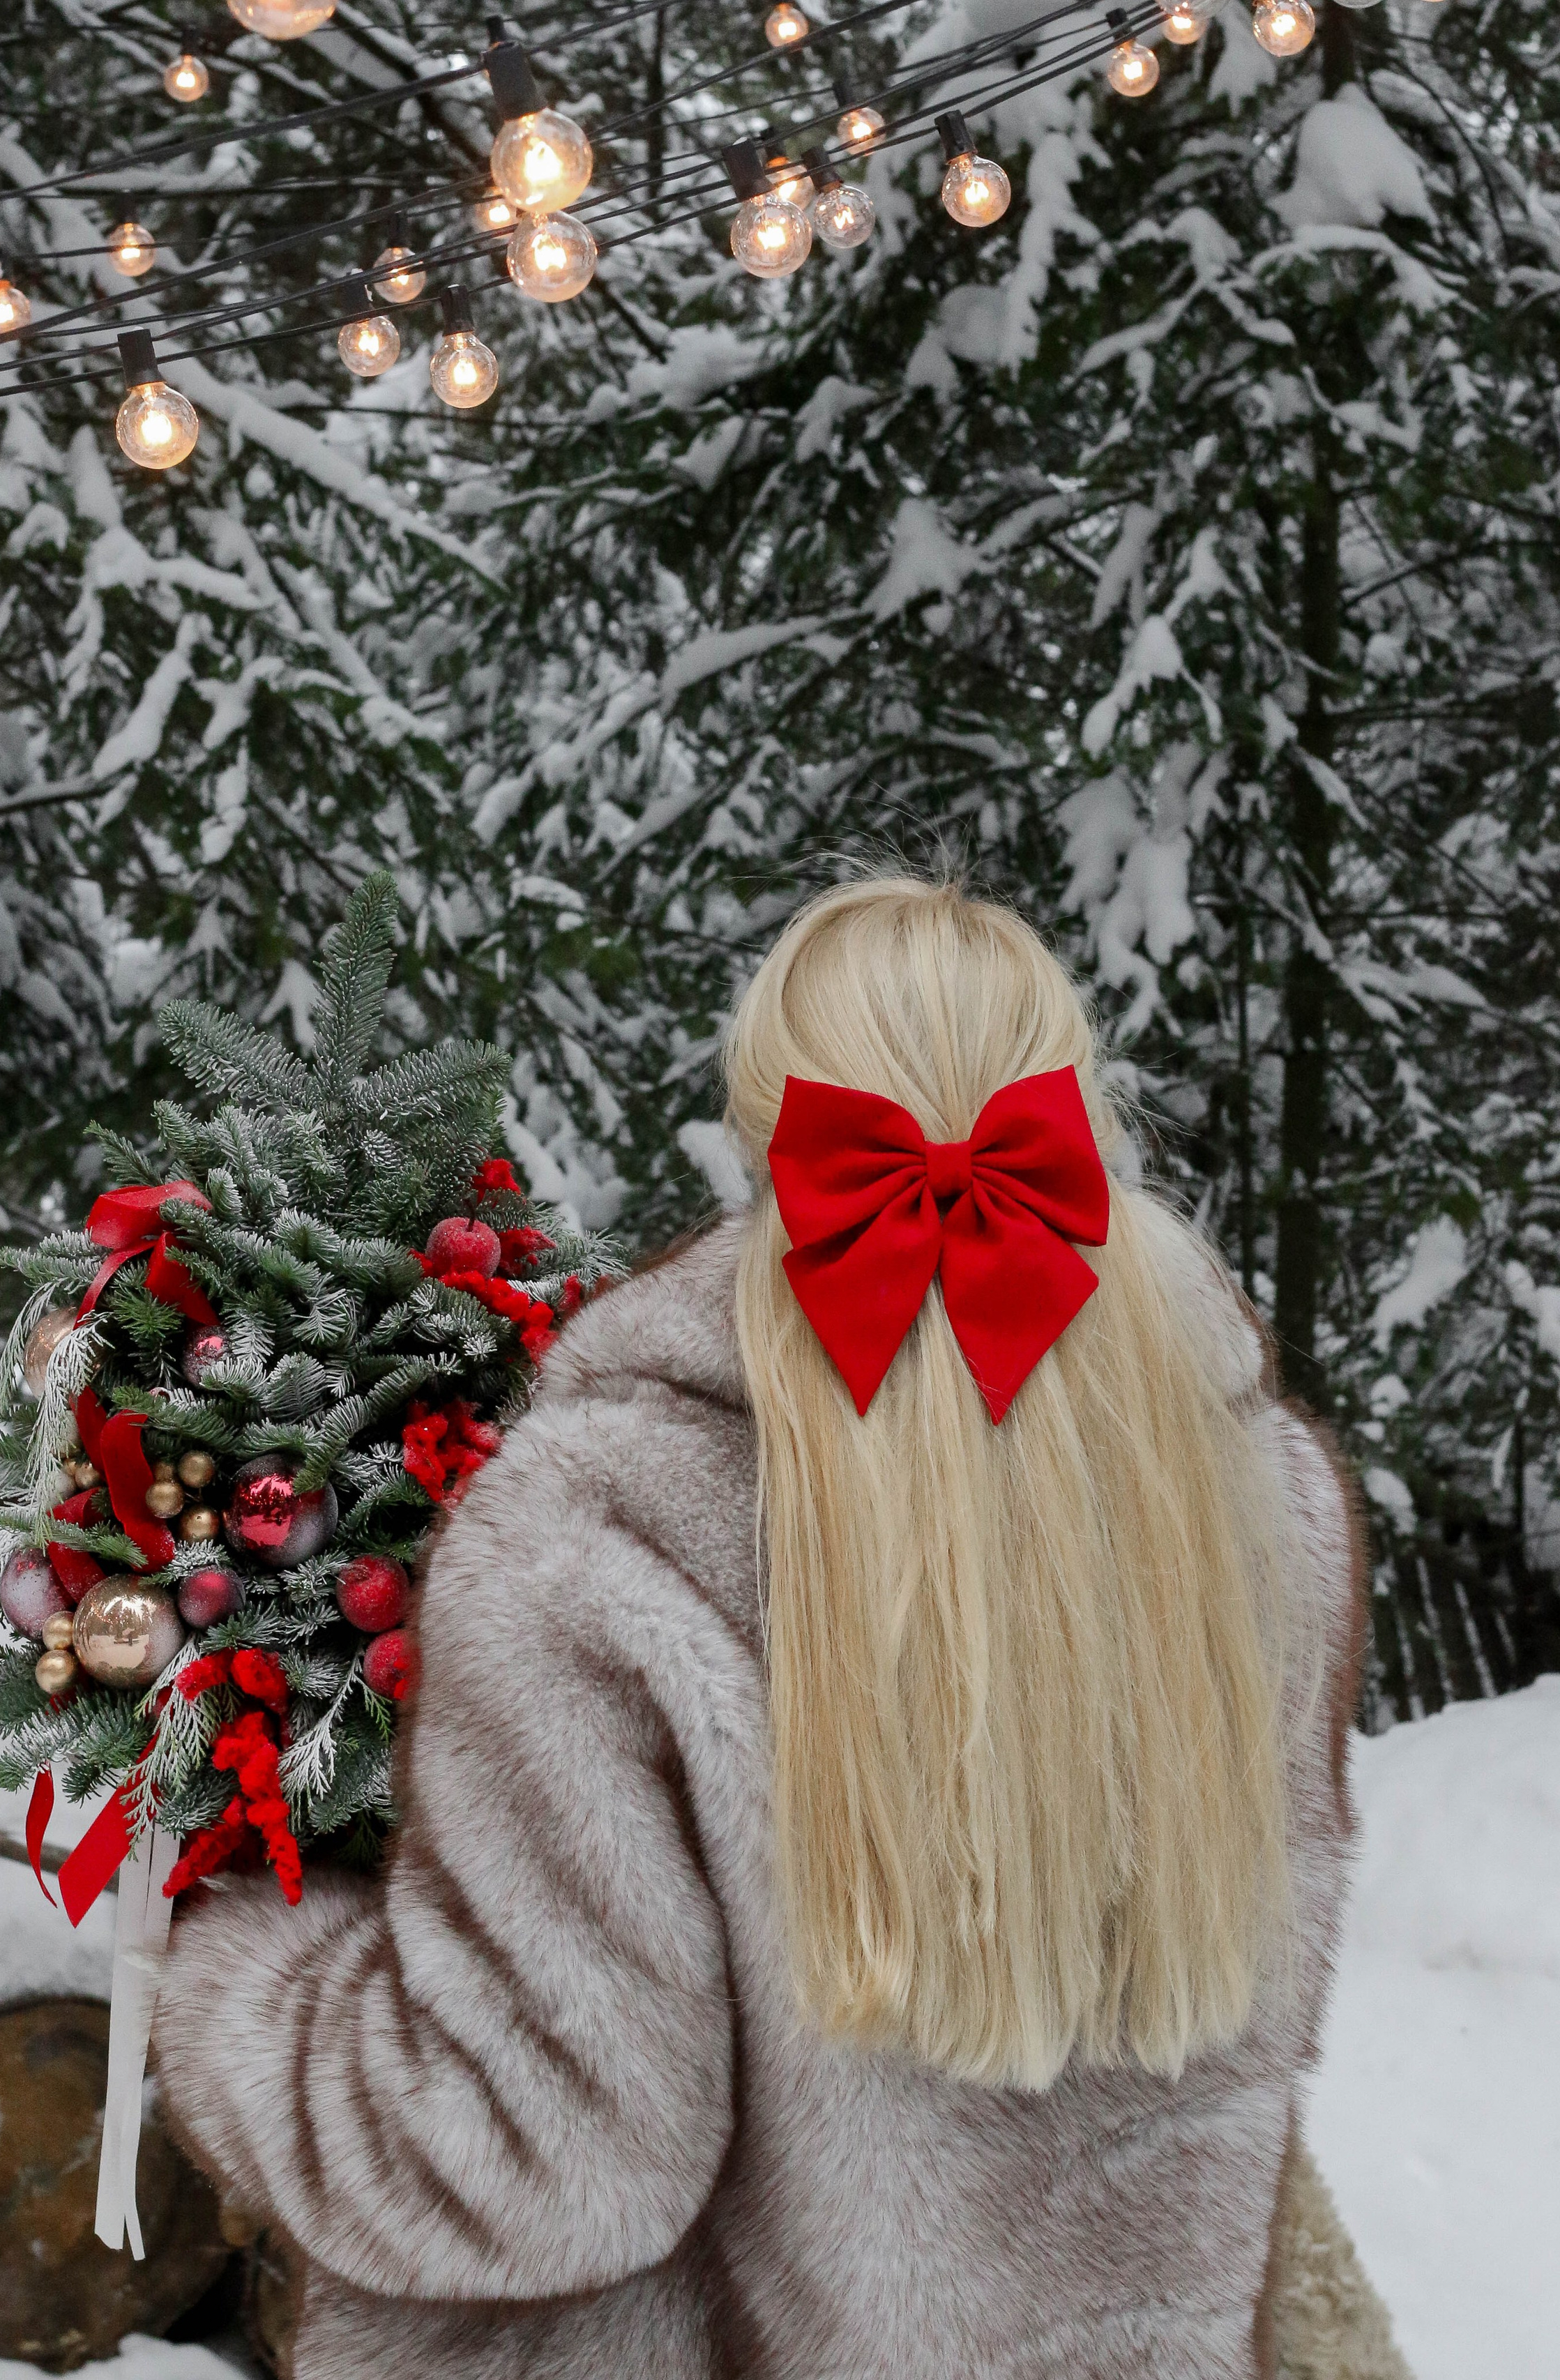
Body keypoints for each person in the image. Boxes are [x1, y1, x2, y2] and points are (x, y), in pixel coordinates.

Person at [154, 876, 1364, 2379]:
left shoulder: (604, 1528)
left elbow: (528, 2165)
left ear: (762, 1134)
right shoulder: (1255, 1510)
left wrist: (234, 1986)